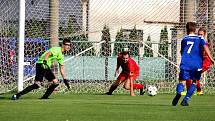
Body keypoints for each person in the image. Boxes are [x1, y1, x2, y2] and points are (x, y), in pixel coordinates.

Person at [172, 22, 214, 106]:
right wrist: (211, 58)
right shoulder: (200, 38)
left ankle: (179, 92)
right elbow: (205, 47)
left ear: (187, 29)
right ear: (195, 30)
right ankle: (186, 99)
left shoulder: (184, 39)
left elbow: (181, 51)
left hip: (186, 63)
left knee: (181, 81)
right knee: (194, 82)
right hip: (196, 64)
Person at [185, 27, 211, 95]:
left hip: (205, 63)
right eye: (198, 34)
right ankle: (199, 91)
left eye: (201, 34)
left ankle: (190, 91)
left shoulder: (204, 44)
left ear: (205, 35)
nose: (200, 36)